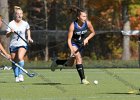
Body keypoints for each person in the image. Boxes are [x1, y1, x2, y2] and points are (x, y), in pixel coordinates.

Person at [51, 6, 95, 85]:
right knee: (79, 59)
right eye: (83, 16)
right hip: (73, 43)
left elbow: (93, 32)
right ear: (78, 17)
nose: (85, 18)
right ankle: (83, 79)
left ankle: (57, 62)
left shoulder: (88, 23)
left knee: (70, 64)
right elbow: (69, 39)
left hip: (81, 44)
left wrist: (87, 39)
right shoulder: (73, 25)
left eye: (86, 16)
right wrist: (72, 50)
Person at [6, 6, 33, 82]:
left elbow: (28, 29)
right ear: (15, 15)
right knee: (14, 61)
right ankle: (16, 76)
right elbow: (7, 35)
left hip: (22, 44)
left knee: (20, 57)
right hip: (13, 45)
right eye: (18, 14)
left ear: (22, 14)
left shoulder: (25, 23)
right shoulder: (11, 23)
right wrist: (11, 32)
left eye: (21, 14)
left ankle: (21, 74)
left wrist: (29, 37)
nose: (20, 15)